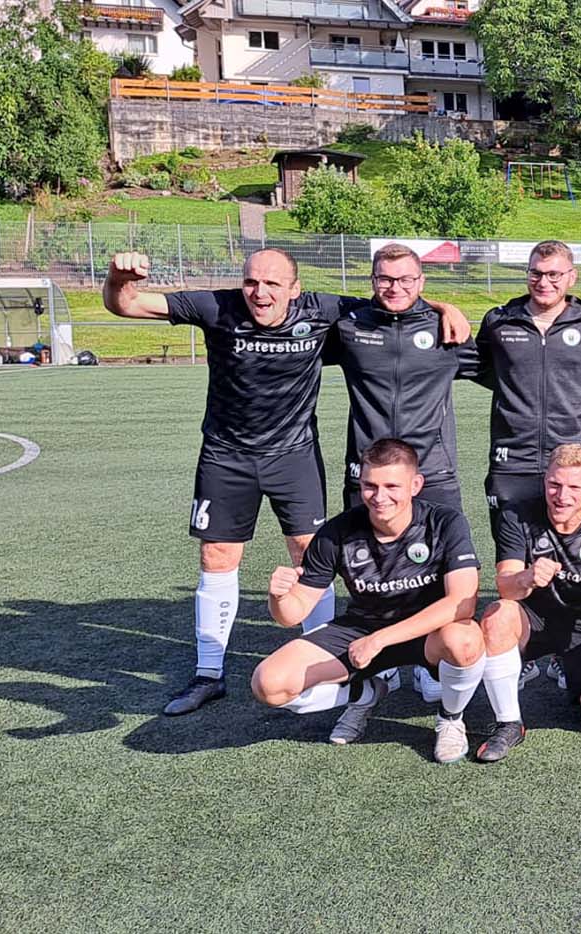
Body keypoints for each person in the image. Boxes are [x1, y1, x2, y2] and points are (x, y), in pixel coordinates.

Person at [100, 248, 464, 717]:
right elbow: (127, 304)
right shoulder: (216, 306)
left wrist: (443, 307)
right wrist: (118, 279)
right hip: (226, 455)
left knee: (310, 554)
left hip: (294, 456)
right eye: (252, 282)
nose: (260, 293)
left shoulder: (324, 310)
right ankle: (208, 672)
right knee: (217, 556)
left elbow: (395, 301)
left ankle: (330, 666)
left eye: (273, 284)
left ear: (295, 288)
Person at [249, 440, 485, 761]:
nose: (379, 496)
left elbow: (462, 603)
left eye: (392, 486)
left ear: (415, 485)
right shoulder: (337, 532)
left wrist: (380, 639)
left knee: (465, 639)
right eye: (370, 486)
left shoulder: (444, 522)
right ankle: (365, 691)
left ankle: (451, 719)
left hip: (427, 632)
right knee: (268, 684)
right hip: (361, 628)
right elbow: (291, 614)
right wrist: (278, 597)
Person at [467, 444, 581, 762]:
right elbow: (505, 586)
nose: (562, 496)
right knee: (497, 615)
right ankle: (509, 723)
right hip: (533, 619)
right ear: (545, 480)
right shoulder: (516, 515)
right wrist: (528, 577)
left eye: (574, 487)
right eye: (554, 484)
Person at [472, 240, 581, 538]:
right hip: (512, 458)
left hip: (572, 458)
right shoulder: (499, 322)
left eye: (554, 275)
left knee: (572, 549)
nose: (544, 282)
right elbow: (476, 365)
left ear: (572, 277)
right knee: (511, 549)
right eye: (536, 273)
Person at [324, 243, 479, 512]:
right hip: (369, 472)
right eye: (385, 279)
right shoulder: (349, 328)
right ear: (373, 280)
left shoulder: (446, 329)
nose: (395, 288)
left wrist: (445, 308)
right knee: (360, 541)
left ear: (421, 281)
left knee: (443, 541)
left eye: (406, 279)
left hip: (432, 472)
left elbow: (498, 373)